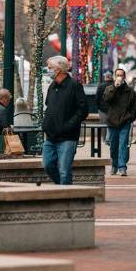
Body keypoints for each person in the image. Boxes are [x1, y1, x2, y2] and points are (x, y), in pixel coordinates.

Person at [42, 56, 88, 184]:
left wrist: (68, 126)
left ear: (59, 69)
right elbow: (48, 106)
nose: (48, 70)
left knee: (64, 171)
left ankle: (66, 196)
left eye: (50, 68)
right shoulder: (52, 86)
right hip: (50, 136)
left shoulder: (74, 86)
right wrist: (45, 124)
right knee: (47, 165)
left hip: (68, 137)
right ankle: (61, 188)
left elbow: (83, 111)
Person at [104, 68, 136, 176]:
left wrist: (130, 117)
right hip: (112, 121)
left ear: (124, 77)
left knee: (123, 144)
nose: (119, 77)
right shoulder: (109, 88)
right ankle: (114, 165)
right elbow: (106, 99)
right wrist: (115, 87)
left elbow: (135, 106)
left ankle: (122, 167)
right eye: (117, 75)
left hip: (125, 121)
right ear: (115, 76)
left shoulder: (129, 91)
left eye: (121, 75)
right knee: (113, 145)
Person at [96, 72, 113, 144]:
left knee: (103, 125)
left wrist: (98, 107)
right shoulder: (114, 85)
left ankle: (104, 139)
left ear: (106, 77)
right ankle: (110, 139)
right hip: (113, 109)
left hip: (102, 109)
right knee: (112, 124)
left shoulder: (101, 86)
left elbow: (97, 98)